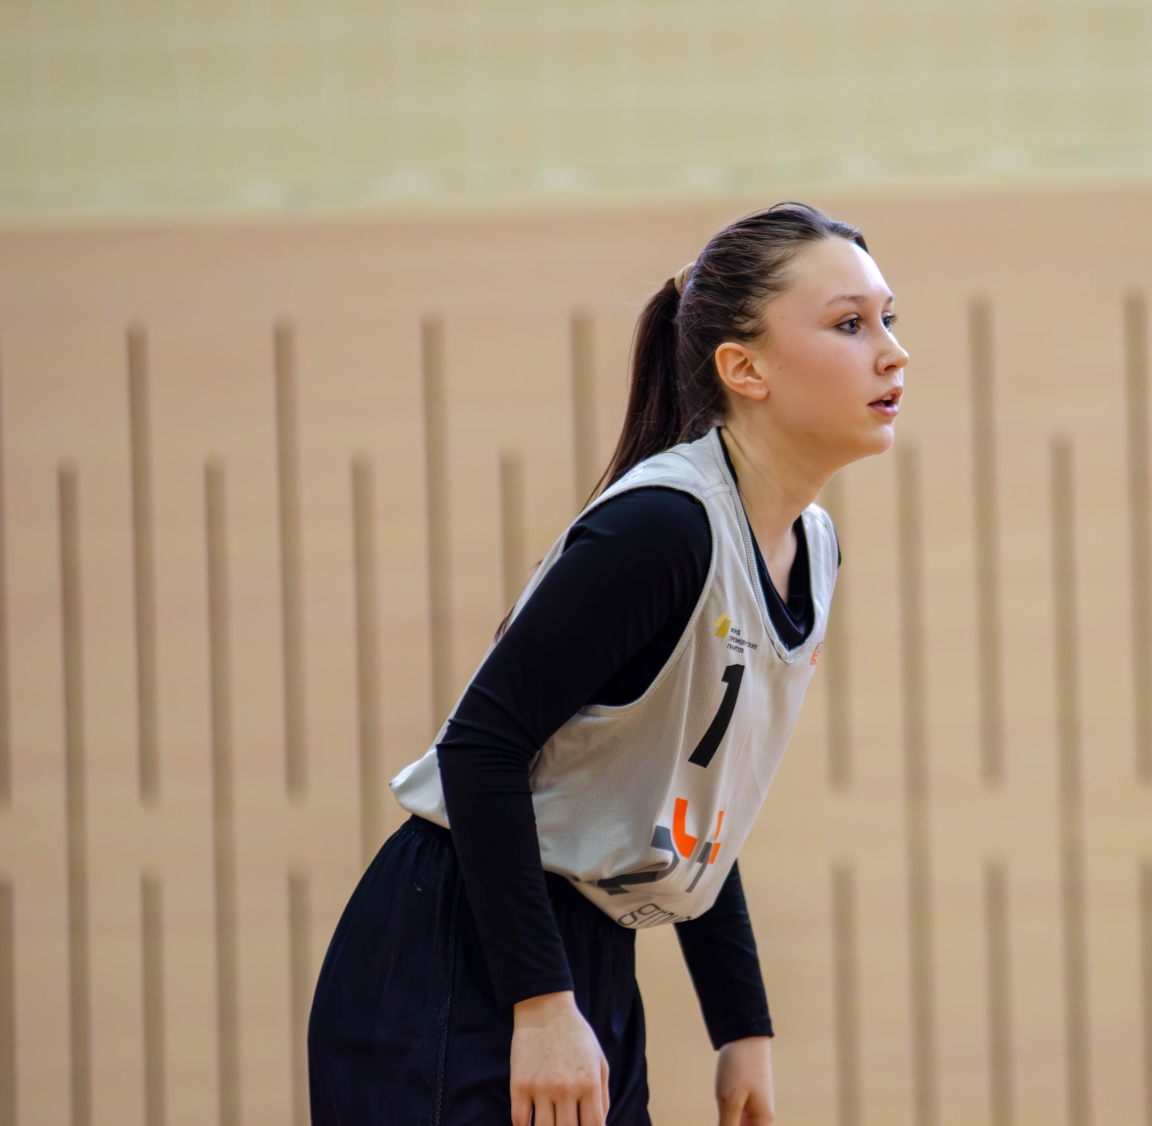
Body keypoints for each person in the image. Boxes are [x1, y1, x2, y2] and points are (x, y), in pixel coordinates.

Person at [307, 202, 908, 1126]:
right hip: (459, 952)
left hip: (582, 960)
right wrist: (540, 1003)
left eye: (888, 319)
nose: (893, 353)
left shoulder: (812, 549)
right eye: (850, 324)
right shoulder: (664, 528)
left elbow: (689, 793)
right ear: (744, 369)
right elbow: (479, 747)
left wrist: (740, 1024)